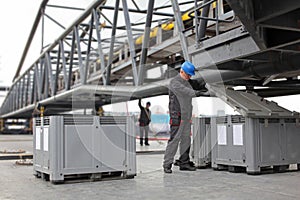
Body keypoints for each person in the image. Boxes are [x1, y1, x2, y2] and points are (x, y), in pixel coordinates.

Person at [163, 61, 207, 173]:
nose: (189, 77)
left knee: (186, 140)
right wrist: (199, 93)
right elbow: (187, 91)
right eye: (188, 74)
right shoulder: (174, 82)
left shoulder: (188, 81)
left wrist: (207, 80)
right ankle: (167, 164)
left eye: (190, 75)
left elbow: (198, 83)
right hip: (177, 118)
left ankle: (184, 162)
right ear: (181, 71)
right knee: (174, 140)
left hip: (186, 117)